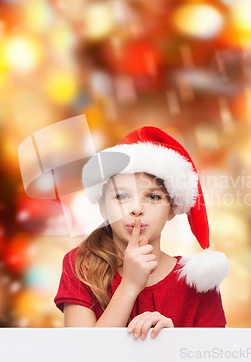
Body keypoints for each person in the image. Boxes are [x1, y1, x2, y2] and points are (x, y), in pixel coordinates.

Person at [54, 126, 229, 339]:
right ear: (103, 208)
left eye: (153, 197)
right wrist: (129, 285)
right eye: (121, 197)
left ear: (172, 209)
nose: (136, 209)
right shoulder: (81, 266)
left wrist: (172, 343)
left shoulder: (197, 283)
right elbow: (80, 355)